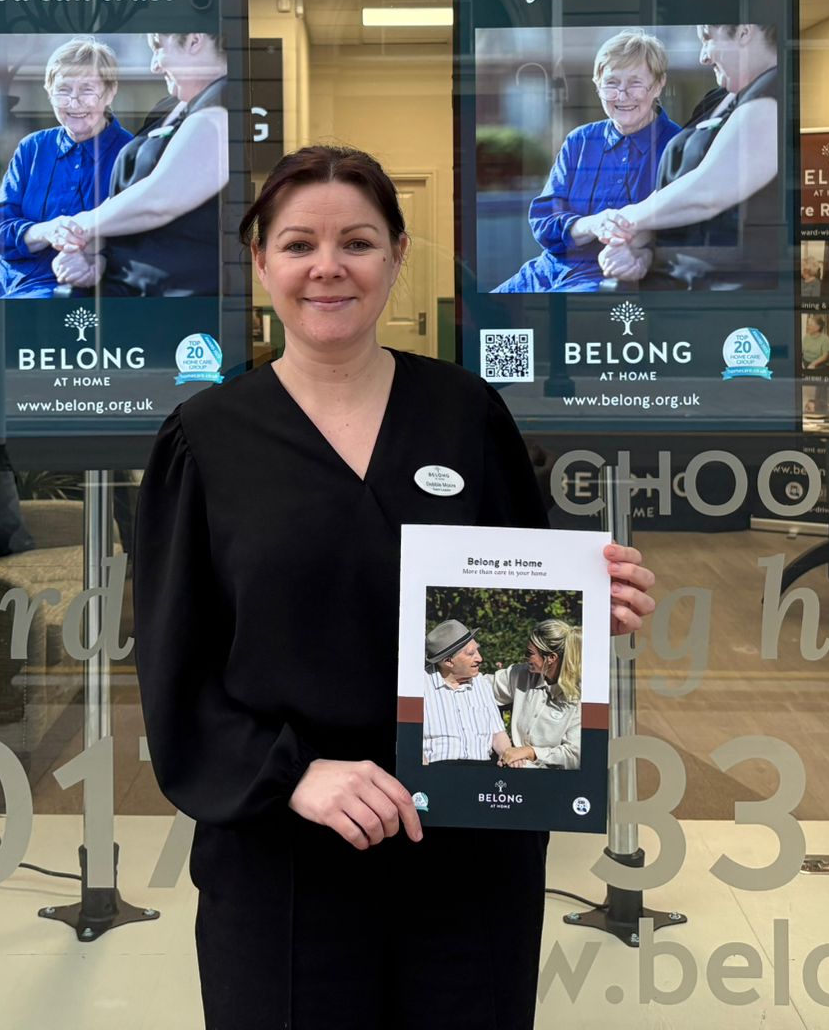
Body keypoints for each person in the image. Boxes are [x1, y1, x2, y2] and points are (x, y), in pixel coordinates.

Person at [134, 144, 658, 1029]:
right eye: (298, 244)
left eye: (359, 243)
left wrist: (587, 613)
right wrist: (292, 776)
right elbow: (173, 667)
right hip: (287, 846)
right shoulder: (207, 441)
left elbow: (524, 610)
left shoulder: (465, 414)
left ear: (398, 257)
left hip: (468, 839)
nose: (328, 267)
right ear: (260, 262)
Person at [588, 22, 782, 290]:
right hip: (674, 290)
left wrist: (624, 221)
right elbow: (677, 199)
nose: (703, 57)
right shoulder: (716, 100)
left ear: (744, 32)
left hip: (728, 298)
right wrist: (638, 248)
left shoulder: (774, 94)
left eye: (707, 38)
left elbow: (708, 193)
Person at [493, 30, 680, 292]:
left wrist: (646, 253)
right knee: (480, 313)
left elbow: (687, 232)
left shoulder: (679, 146)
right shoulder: (580, 141)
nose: (622, 95)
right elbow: (544, 222)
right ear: (597, 84)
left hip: (606, 278)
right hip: (546, 271)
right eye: (612, 83)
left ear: (659, 84)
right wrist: (594, 223)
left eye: (635, 83)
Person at [0, 38, 131, 299]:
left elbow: (142, 240)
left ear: (111, 92)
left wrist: (98, 259)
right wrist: (47, 230)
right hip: (0, 278)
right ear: (48, 92)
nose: (74, 102)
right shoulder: (32, 148)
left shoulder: (131, 153)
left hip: (64, 287)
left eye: (87, 90)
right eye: (63, 90)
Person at [51, 31, 228, 296]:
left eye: (158, 47)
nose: (154, 65)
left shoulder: (226, 103)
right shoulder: (171, 107)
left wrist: (81, 227)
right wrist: (93, 252)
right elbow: (133, 205)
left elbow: (161, 199)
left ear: (194, 40)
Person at [486, 618, 582, 769]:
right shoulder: (521, 675)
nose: (524, 657)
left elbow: (574, 756)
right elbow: (483, 687)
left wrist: (530, 752)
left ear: (551, 658)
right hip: (511, 770)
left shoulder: (580, 697)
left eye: (530, 653)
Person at [421, 620, 511, 765]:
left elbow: (497, 733)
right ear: (448, 661)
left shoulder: (481, 683)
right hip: (438, 769)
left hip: (482, 770)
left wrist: (506, 754)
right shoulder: (420, 686)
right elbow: (409, 739)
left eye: (477, 650)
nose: (480, 658)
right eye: (471, 654)